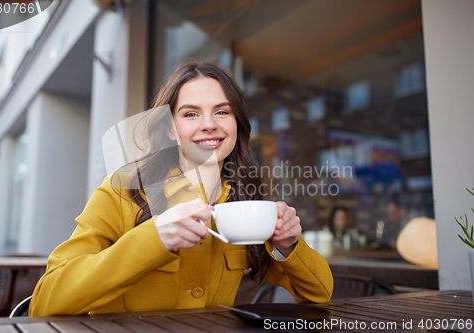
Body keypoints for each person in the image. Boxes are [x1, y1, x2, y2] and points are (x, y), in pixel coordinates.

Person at [29, 60, 333, 316]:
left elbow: (320, 293)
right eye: (190, 114)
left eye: (222, 111)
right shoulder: (123, 192)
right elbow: (45, 301)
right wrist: (154, 237)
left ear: (237, 124)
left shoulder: (245, 202)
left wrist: (288, 246)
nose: (209, 124)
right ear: (171, 129)